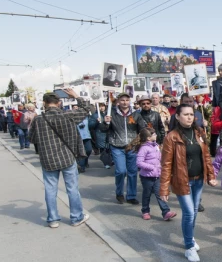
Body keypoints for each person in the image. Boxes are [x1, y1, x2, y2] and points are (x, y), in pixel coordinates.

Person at [160, 104, 217, 262]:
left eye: (191, 114)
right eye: (185, 114)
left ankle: (189, 238)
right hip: (182, 181)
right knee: (189, 213)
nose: (189, 117)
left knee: (194, 212)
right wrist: (164, 188)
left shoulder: (199, 132)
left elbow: (206, 156)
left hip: (198, 180)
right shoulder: (171, 137)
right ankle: (189, 247)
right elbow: (165, 165)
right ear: (177, 117)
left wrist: (211, 175)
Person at [27, 90, 89, 228]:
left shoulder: (38, 119)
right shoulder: (68, 115)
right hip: (67, 156)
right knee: (72, 188)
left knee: (50, 189)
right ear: (59, 103)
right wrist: (76, 96)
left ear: (44, 103)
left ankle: (53, 219)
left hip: (48, 159)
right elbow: (87, 109)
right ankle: (76, 217)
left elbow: (31, 139)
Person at [100, 93, 148, 204]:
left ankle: (131, 195)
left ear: (130, 101)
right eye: (122, 100)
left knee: (132, 172)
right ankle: (119, 193)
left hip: (132, 147)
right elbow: (103, 129)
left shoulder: (136, 114)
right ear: (118, 102)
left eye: (127, 100)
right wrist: (105, 122)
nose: (125, 102)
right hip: (117, 146)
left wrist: (147, 137)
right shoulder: (111, 114)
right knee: (121, 171)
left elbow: (142, 129)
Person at [130, 128, 177, 221]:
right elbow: (139, 163)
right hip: (146, 177)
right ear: (148, 138)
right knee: (146, 194)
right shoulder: (144, 148)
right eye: (154, 134)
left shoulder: (156, 146)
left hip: (157, 176)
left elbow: (159, 158)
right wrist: (152, 167)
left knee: (160, 193)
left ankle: (166, 212)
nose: (156, 135)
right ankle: (145, 211)